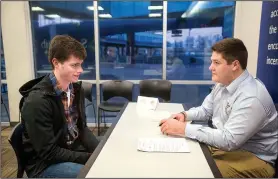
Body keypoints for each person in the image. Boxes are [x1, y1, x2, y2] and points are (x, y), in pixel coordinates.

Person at [159, 38, 278, 178]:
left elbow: (229, 140)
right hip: (232, 148)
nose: (210, 67)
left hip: (255, 158)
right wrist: (184, 116)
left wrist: (183, 129)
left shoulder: (251, 97)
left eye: (216, 63)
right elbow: (205, 110)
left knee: (196, 172)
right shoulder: (223, 83)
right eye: (211, 62)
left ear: (235, 65)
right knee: (188, 158)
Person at [19, 35, 99, 178]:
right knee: (98, 173)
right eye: (74, 65)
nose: (80, 69)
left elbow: (81, 128)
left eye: (81, 64)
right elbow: (48, 152)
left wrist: (99, 151)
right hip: (45, 165)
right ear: (56, 63)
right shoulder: (37, 101)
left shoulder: (74, 89)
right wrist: (90, 158)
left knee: (108, 151)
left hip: (69, 148)